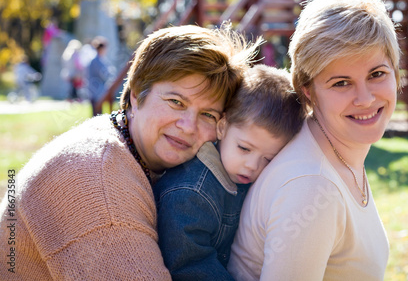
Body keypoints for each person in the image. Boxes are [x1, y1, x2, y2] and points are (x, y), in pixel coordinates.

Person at [0, 24, 261, 280]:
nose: (188, 127)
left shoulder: (133, 148)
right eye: (176, 102)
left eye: (207, 115)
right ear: (136, 95)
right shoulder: (97, 183)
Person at [228, 0, 401, 281]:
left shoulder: (337, 152)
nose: (365, 98)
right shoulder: (311, 187)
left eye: (377, 74)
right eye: (341, 82)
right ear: (307, 91)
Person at [153, 64, 304, 280]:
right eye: (244, 148)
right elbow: (190, 265)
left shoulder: (239, 172)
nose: (252, 165)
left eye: (268, 159)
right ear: (222, 127)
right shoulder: (192, 193)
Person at [87, 36, 112, 116]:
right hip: (96, 92)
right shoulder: (96, 61)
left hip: (99, 91)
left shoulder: (101, 60)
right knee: (97, 115)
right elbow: (104, 75)